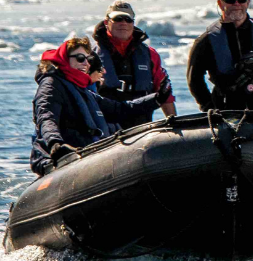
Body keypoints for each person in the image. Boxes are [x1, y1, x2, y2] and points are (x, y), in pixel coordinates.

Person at [30, 35, 158, 175]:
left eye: (87, 59)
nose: (86, 63)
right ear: (65, 59)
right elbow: (47, 117)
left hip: (87, 155)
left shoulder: (82, 90)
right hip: (63, 159)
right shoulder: (51, 85)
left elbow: (119, 109)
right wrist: (55, 143)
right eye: (80, 58)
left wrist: (157, 98)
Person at [91, 0, 176, 125]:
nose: (123, 23)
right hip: (105, 128)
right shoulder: (90, 55)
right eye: (118, 18)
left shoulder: (149, 54)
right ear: (106, 22)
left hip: (141, 129)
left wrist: (174, 123)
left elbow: (165, 95)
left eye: (128, 19)